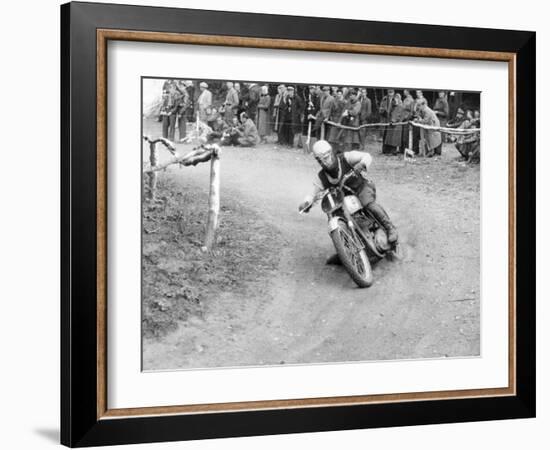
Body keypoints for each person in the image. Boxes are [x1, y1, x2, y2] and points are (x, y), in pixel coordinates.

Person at [299, 140, 398, 245]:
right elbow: (312, 193)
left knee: (368, 204)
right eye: (320, 160)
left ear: (331, 153)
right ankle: (346, 249)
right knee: (335, 215)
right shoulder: (321, 177)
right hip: (343, 201)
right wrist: (306, 203)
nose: (324, 162)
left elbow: (367, 156)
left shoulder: (346, 158)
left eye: (326, 157)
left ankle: (389, 228)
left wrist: (362, 164)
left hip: (361, 188)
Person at [379, 88, 403, 154]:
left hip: (393, 120)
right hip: (385, 119)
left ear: (393, 92)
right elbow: (381, 108)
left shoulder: (397, 99)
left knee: (393, 137)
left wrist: (394, 120)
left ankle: (393, 151)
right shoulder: (384, 99)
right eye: (389, 92)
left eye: (391, 92)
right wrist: (382, 111)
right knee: (385, 135)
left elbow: (399, 111)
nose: (390, 93)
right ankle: (385, 150)